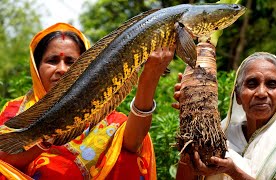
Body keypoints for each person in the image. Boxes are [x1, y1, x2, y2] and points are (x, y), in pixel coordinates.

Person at [0, 22, 175, 179]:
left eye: (71, 62)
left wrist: (149, 77)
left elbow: (133, 142)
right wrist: (50, 130)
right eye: (52, 61)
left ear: (88, 70)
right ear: (36, 67)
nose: (62, 69)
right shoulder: (17, 111)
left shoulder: (108, 119)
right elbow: (4, 162)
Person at [174, 52, 276, 179]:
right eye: (251, 83)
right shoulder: (223, 134)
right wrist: (190, 119)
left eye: (272, 84)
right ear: (237, 95)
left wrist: (234, 172)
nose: (261, 93)